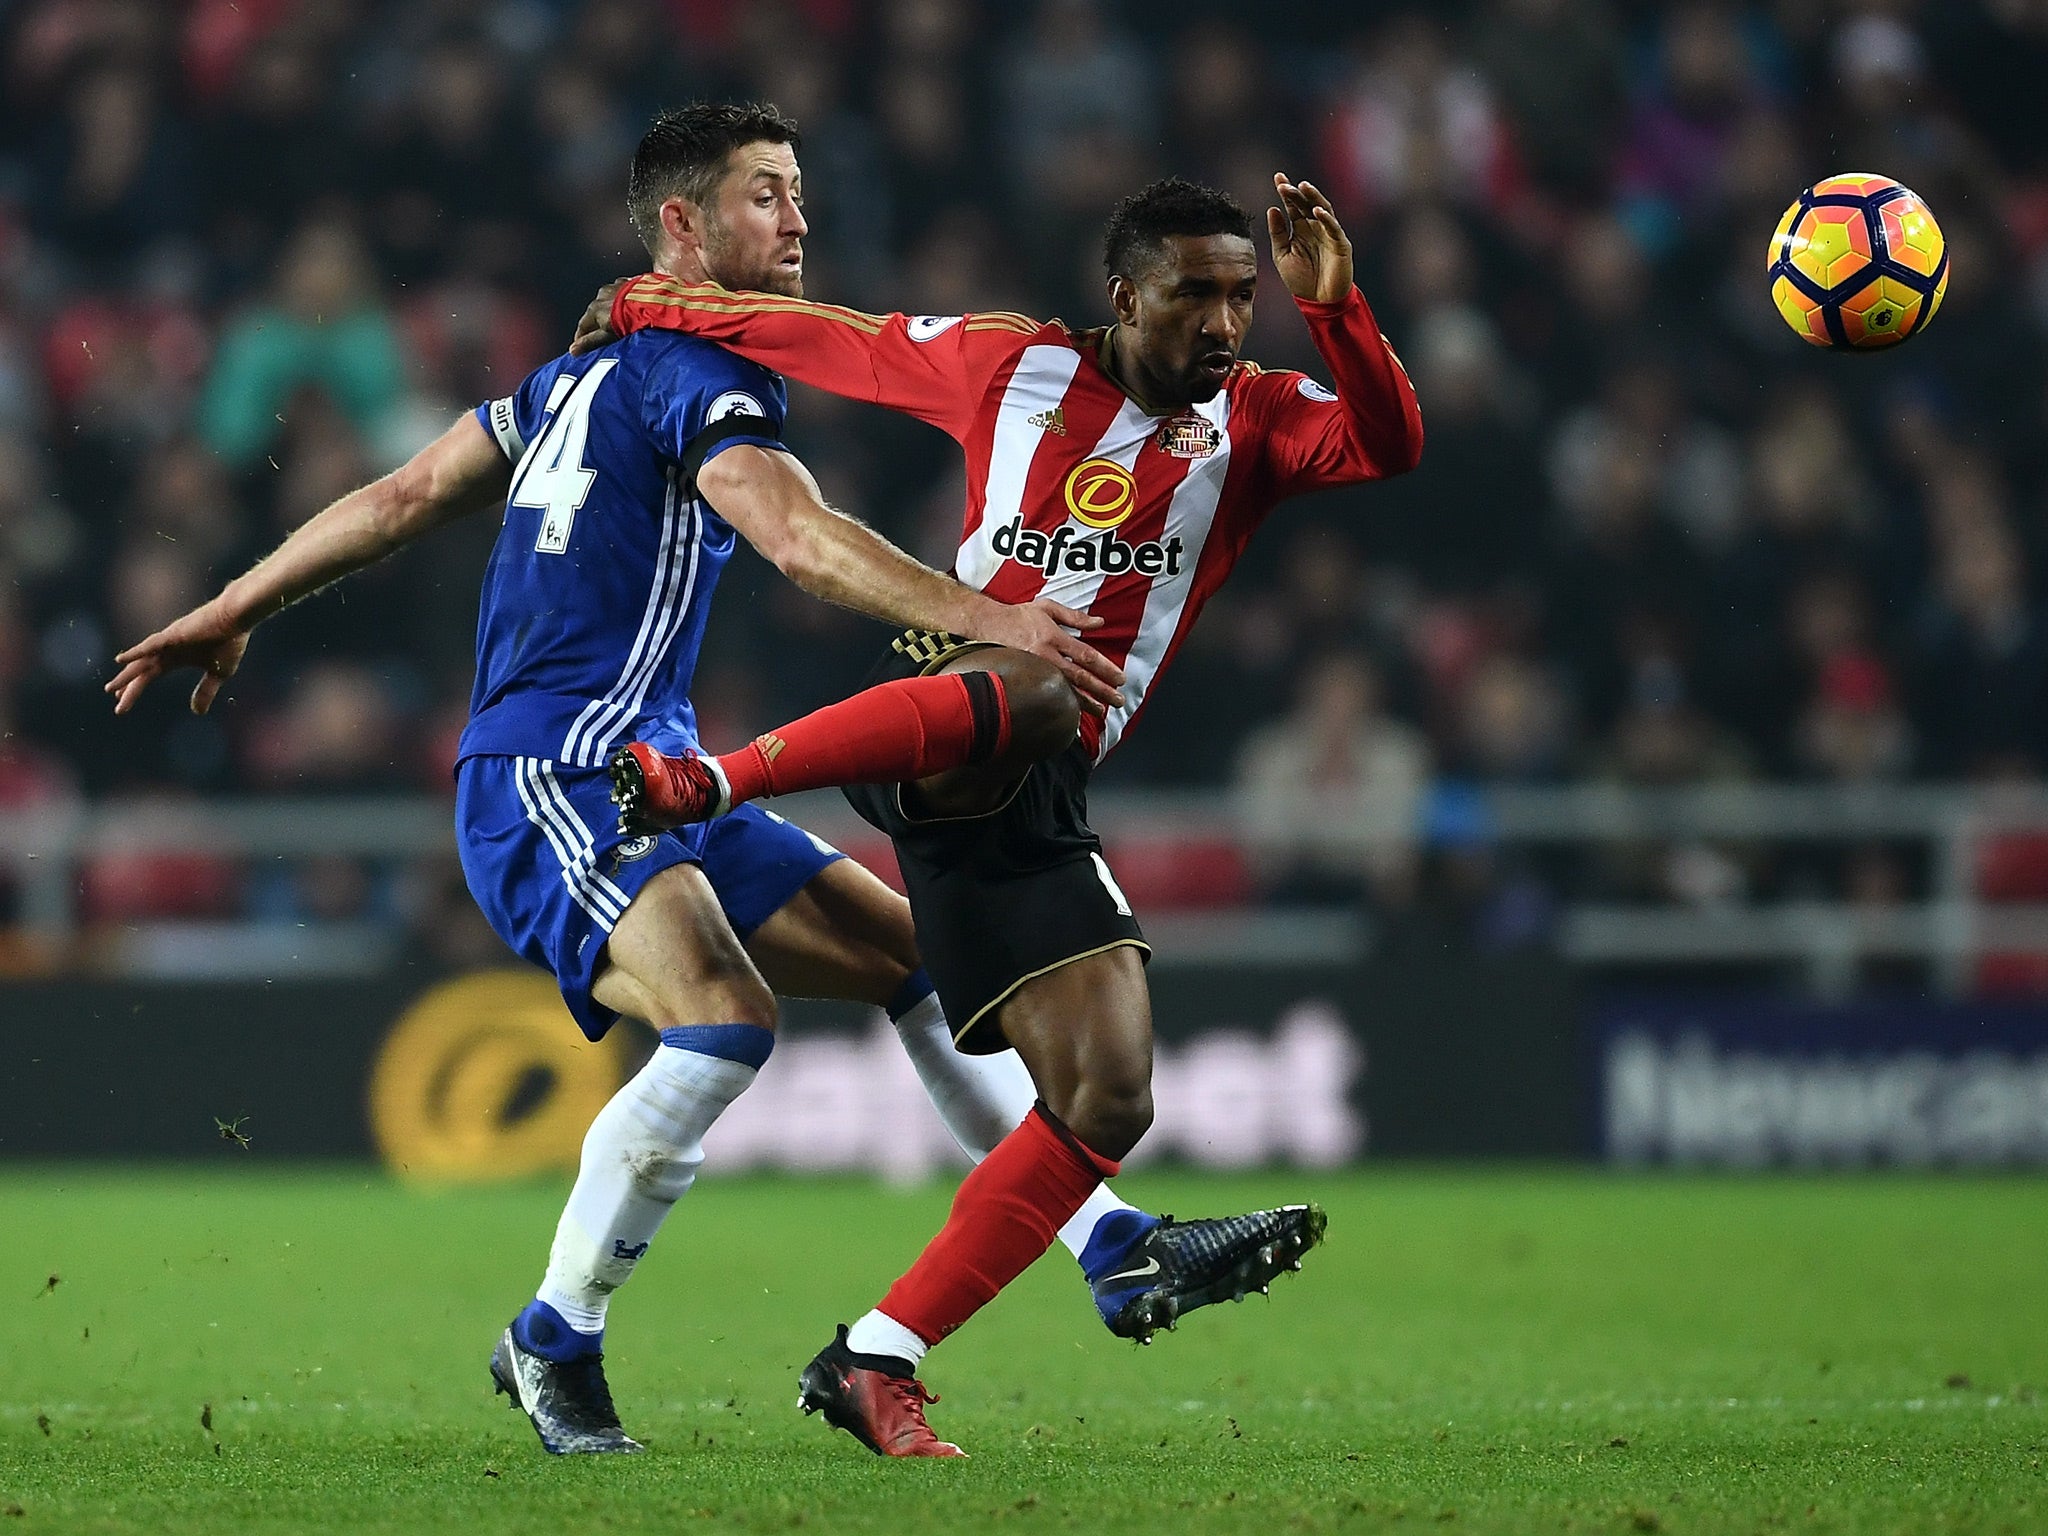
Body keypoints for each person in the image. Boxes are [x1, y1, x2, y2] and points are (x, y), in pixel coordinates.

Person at [103, 104, 1292, 1461]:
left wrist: (234, 601)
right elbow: (796, 538)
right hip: (559, 772)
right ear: (683, 227)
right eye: (767, 196)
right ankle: (553, 1339)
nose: (798, 220)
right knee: (724, 1018)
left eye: (799, 193)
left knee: (910, 963)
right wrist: (991, 619)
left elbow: (400, 496)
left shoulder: (568, 379)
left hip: (652, 769)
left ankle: (1112, 1244)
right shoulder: (680, 373)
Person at [580, 169, 1423, 1454]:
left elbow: (1388, 446)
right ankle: (719, 778)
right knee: (1032, 681)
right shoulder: (1006, 365)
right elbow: (834, 340)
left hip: (1039, 791)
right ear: (1121, 295)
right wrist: (656, 300)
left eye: (1241, 298)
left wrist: (1341, 310)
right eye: (1193, 296)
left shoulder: (1252, 422)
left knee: (1107, 1095)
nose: (1223, 323)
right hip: (940, 714)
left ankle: (875, 1357)